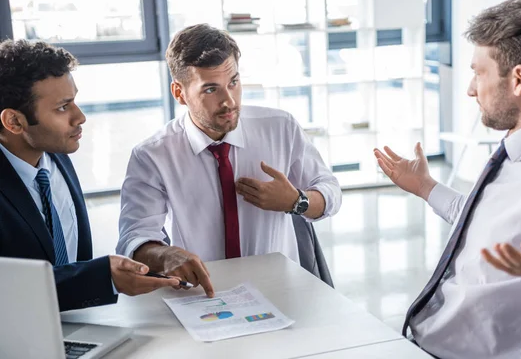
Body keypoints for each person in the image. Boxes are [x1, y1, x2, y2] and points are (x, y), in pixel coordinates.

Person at [375, 0, 521, 358]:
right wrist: (427, 188)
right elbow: (494, 222)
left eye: (479, 72)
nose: (470, 88)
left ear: (519, 79)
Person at [117, 24, 342, 296]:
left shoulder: (280, 127)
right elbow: (134, 237)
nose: (229, 101)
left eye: (233, 82)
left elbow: (330, 190)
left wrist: (297, 201)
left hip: (281, 291)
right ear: (179, 93)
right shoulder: (153, 155)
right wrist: (165, 256)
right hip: (203, 296)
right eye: (211, 90)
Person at [0, 40, 179, 312]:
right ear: (14, 122)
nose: (80, 117)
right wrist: (100, 278)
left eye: (75, 100)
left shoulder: (56, 157)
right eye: (63, 107)